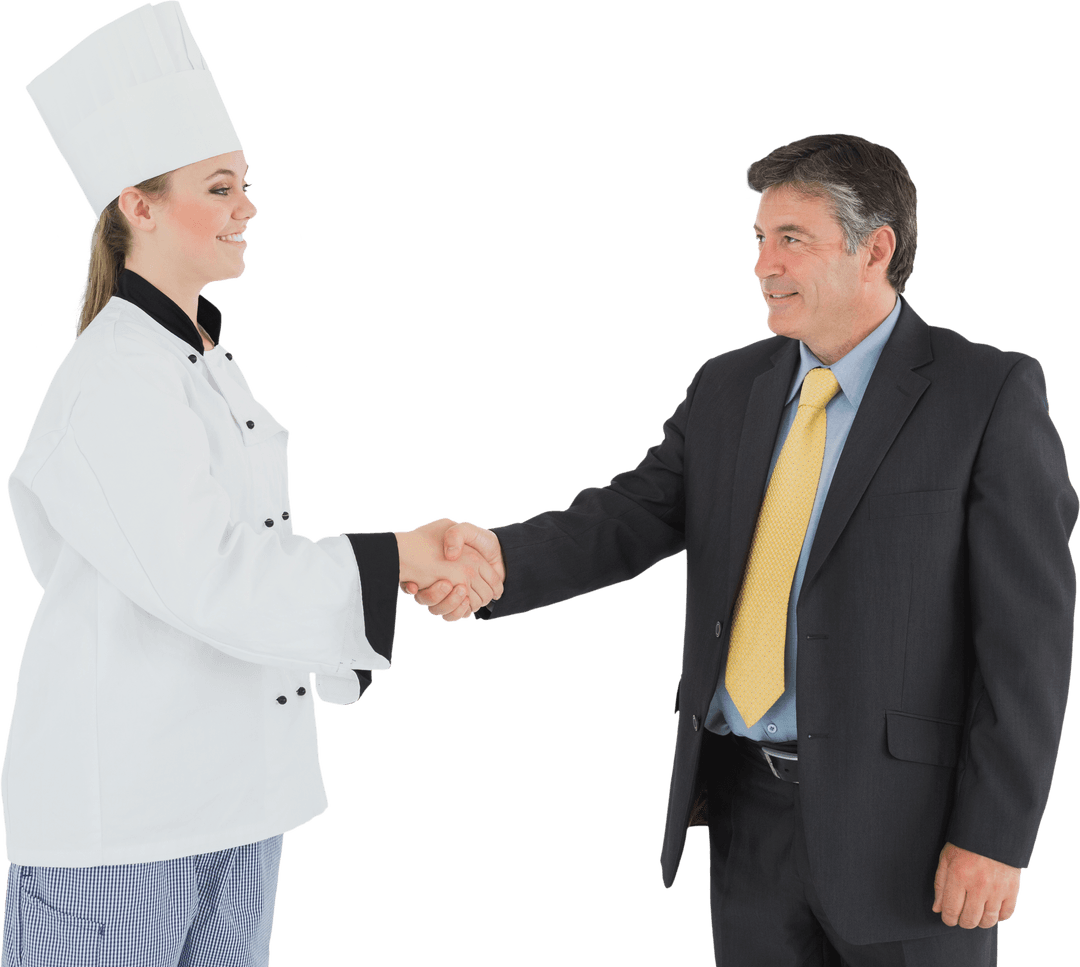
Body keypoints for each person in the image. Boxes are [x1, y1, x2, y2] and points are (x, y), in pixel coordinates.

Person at [405, 133, 1078, 965]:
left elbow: (1030, 641)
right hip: (746, 816)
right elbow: (626, 517)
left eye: (792, 239)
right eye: (759, 240)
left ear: (877, 248)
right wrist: (494, 563)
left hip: (911, 833)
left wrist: (996, 833)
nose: (764, 264)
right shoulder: (729, 387)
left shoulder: (987, 393)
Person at [3, 4, 498, 965]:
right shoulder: (113, 380)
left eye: (247, 185)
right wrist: (394, 560)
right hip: (127, 825)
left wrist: (391, 569)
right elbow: (212, 577)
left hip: (238, 800)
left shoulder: (205, 361)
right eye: (220, 187)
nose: (248, 207)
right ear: (136, 205)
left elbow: (252, 564)